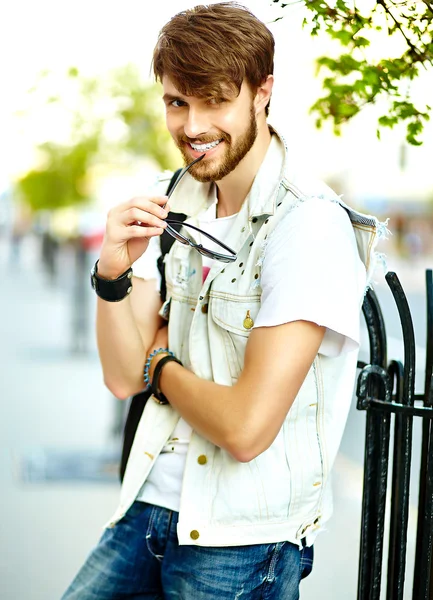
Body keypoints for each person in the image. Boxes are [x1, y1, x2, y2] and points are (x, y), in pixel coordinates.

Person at [62, 3, 386, 599]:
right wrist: (111, 272)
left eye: (215, 99)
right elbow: (118, 378)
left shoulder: (305, 225)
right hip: (147, 508)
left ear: (263, 92)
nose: (192, 125)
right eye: (177, 102)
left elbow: (245, 428)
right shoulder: (174, 199)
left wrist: (159, 364)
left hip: (240, 542)